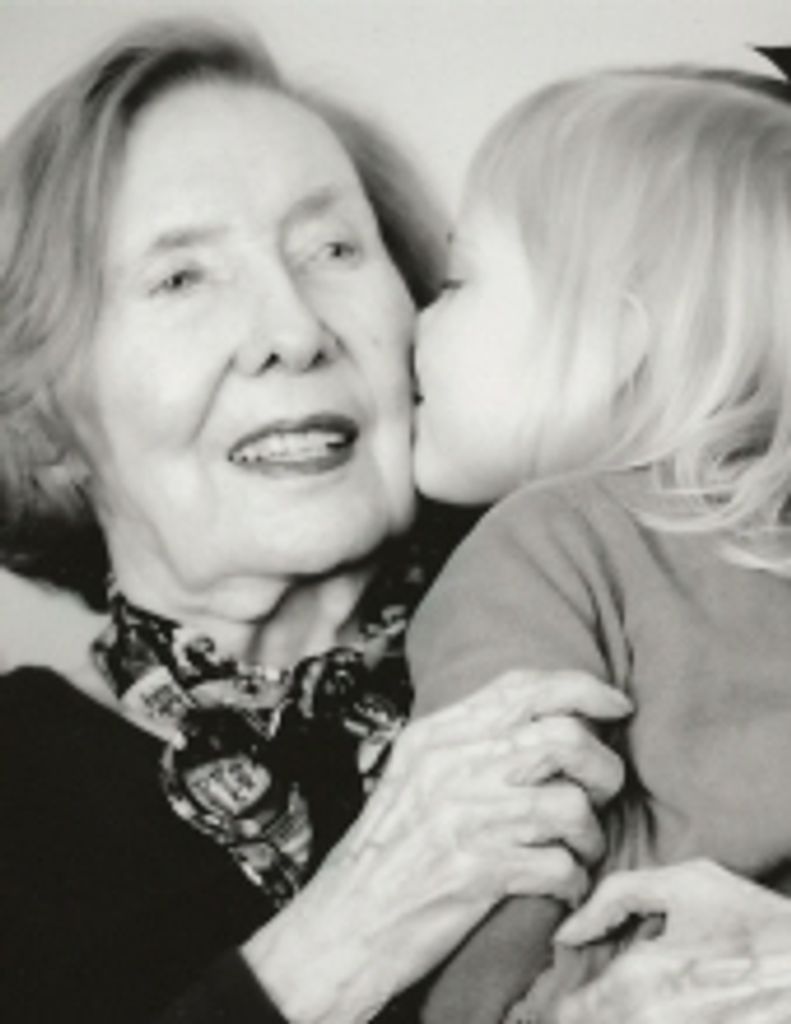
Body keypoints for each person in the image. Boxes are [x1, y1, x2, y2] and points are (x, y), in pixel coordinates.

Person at [0, 17, 632, 1024]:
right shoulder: (21, 794)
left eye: (334, 247)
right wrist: (347, 936)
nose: (294, 333)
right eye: (180, 276)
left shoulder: (625, 598)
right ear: (43, 418)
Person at [406, 63, 791, 1023]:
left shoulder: (542, 545)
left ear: (618, 341)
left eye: (455, 282)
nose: (417, 321)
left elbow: (497, 863)